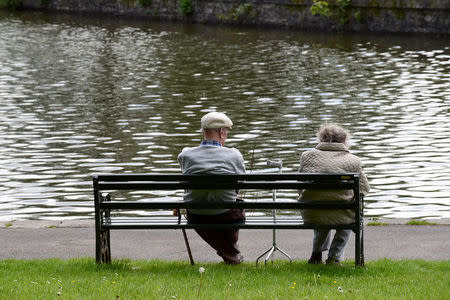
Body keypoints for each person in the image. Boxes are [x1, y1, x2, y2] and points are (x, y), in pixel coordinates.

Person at [177, 112, 246, 265]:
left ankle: (229, 252)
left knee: (220, 207)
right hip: (225, 214)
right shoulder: (234, 155)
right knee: (238, 206)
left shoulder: (185, 155)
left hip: (196, 214)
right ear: (222, 132)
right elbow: (240, 184)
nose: (226, 135)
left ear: (203, 132)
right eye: (226, 131)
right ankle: (230, 252)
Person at [298, 124, 370, 265]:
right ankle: (334, 257)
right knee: (350, 214)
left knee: (323, 208)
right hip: (342, 213)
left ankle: (316, 255)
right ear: (344, 140)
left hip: (312, 212)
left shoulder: (306, 157)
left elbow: (300, 185)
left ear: (321, 138)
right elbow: (364, 188)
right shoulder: (354, 161)